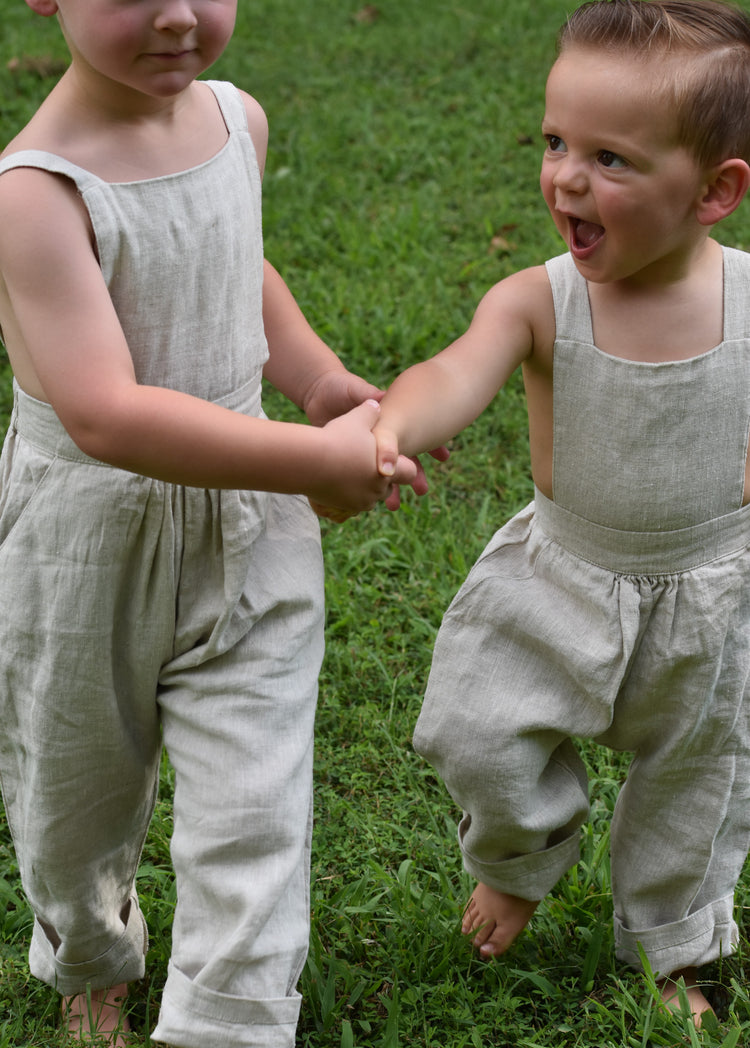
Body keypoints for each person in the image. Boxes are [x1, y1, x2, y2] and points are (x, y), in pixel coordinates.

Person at [0, 1, 420, 1046]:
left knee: (255, 806)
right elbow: (106, 413)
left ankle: (226, 1023)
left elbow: (245, 265)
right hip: (87, 546)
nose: (179, 13)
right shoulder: (34, 194)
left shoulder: (238, 120)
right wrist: (314, 461)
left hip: (251, 526)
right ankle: (92, 953)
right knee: (73, 802)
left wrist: (317, 378)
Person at [374, 0, 750, 1025]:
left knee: (700, 786)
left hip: (713, 594)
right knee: (474, 731)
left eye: (612, 159)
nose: (567, 178)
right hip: (560, 578)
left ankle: (673, 944)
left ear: (715, 191)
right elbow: (457, 370)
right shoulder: (540, 299)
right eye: (555, 143)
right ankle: (516, 861)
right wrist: (399, 420)